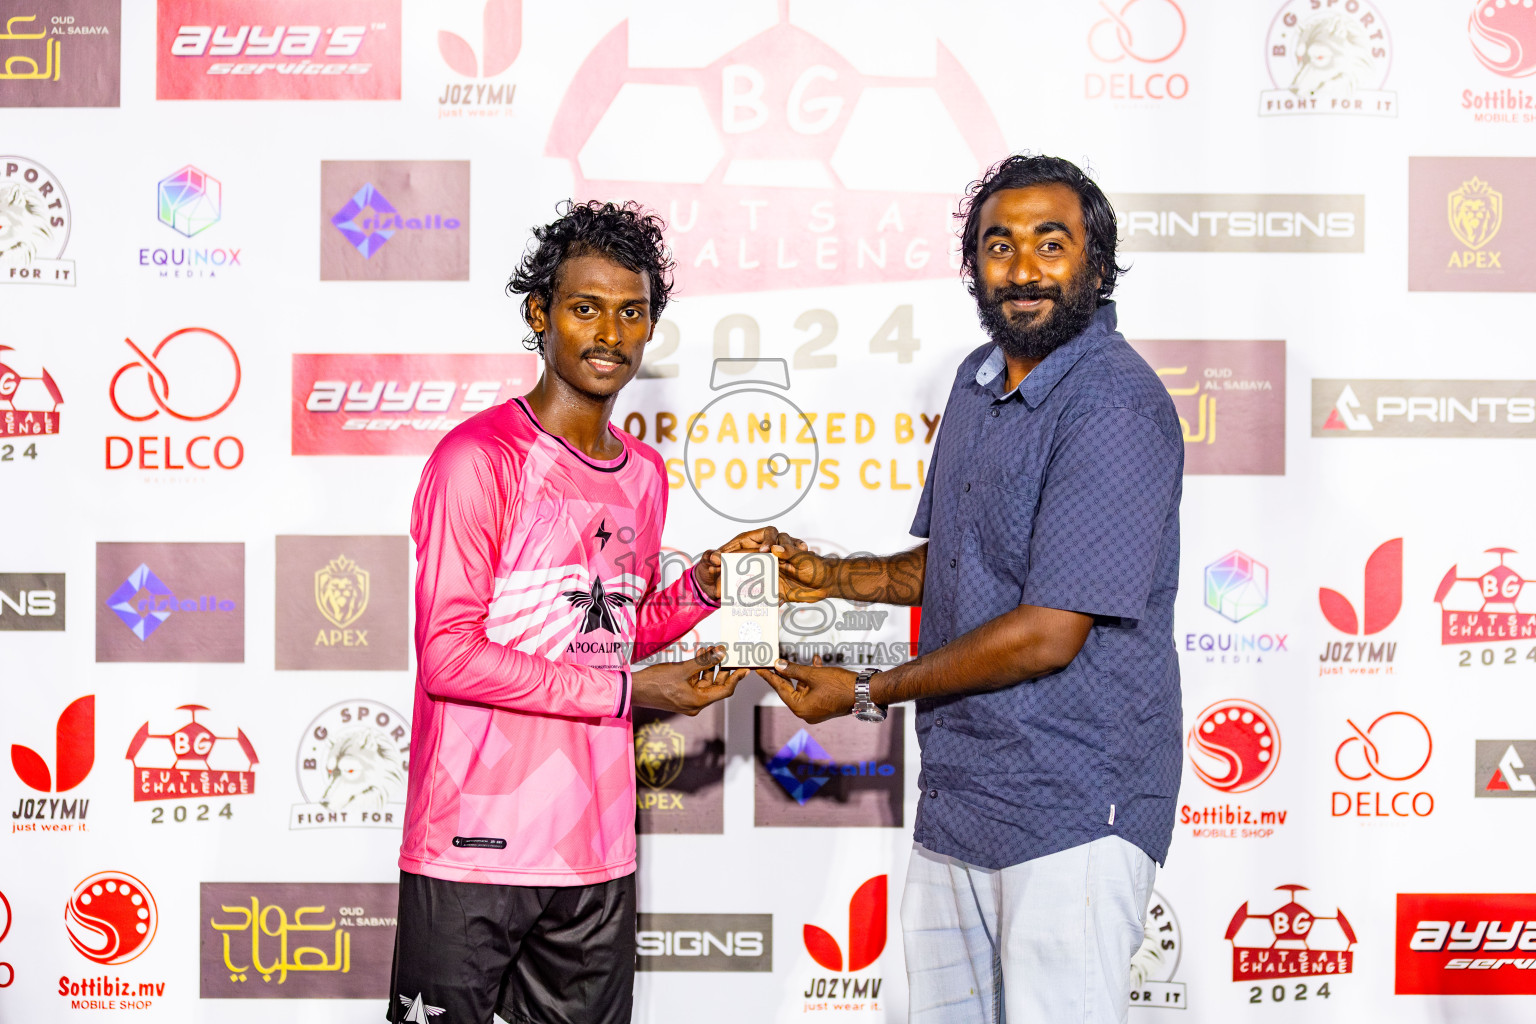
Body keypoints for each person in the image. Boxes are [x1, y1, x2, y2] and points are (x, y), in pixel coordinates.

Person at [760, 155, 1184, 1024]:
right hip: (960, 803)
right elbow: (962, 561)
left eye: (1050, 244)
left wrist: (869, 691)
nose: (1023, 269)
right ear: (973, 266)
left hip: (1072, 806)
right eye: (999, 246)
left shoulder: (1113, 405)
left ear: (1096, 265)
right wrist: (835, 577)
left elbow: (1046, 629)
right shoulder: (976, 380)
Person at [390, 200, 771, 1024]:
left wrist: (705, 585)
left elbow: (606, 632)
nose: (609, 333)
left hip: (595, 851)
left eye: (631, 312)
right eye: (585, 307)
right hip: (473, 851)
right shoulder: (477, 458)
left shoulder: (644, 474)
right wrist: (635, 695)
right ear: (540, 315)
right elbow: (449, 655)